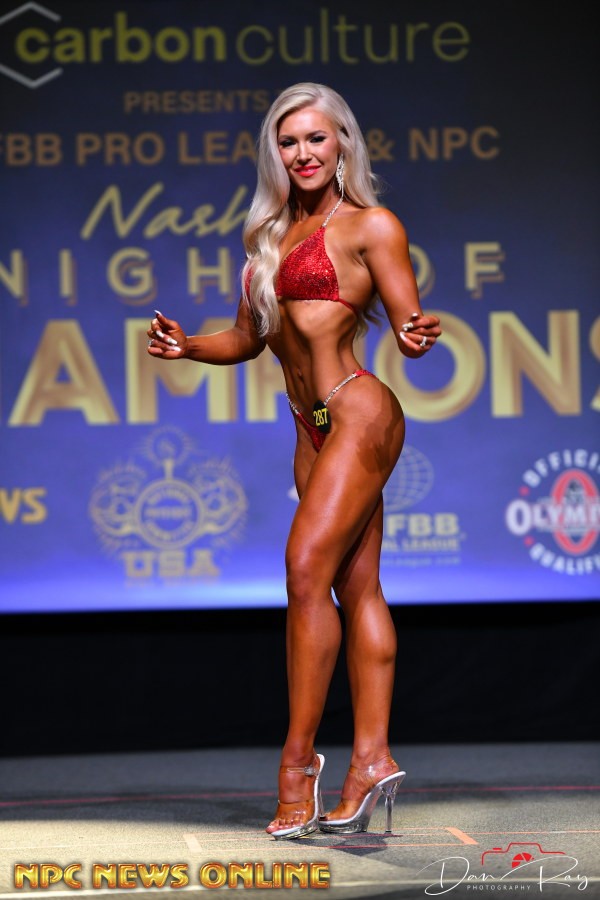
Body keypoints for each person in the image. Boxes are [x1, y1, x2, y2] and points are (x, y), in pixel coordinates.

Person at [147, 82, 442, 840]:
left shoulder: (371, 226)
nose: (303, 153)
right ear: (273, 154)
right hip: (309, 430)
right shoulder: (267, 241)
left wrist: (413, 335)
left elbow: (407, 318)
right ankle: (370, 759)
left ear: (343, 144)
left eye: (316, 138)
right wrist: (189, 345)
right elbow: (248, 339)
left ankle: (297, 764)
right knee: (356, 586)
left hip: (359, 411)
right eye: (289, 141)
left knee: (304, 569)